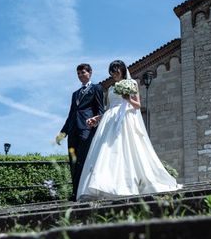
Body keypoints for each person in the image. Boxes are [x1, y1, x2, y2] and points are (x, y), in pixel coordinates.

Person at [76, 60, 181, 201]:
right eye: (112, 72)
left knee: (126, 149)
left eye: (116, 71)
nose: (114, 74)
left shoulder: (132, 84)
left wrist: (127, 99)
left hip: (126, 118)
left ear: (123, 70)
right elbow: (109, 108)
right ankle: (106, 184)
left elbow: (137, 105)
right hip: (110, 120)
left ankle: (130, 184)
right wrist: (97, 118)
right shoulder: (112, 88)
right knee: (107, 151)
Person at [56, 63, 105, 201]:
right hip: (73, 130)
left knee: (84, 160)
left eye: (82, 72)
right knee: (73, 162)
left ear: (90, 73)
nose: (80, 75)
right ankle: (75, 192)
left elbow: (101, 110)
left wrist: (96, 121)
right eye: (78, 74)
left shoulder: (97, 88)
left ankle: (85, 190)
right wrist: (62, 134)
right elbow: (71, 114)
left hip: (86, 129)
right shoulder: (75, 94)